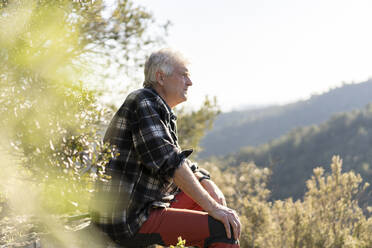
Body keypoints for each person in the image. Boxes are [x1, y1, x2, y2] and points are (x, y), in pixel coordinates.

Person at [90, 49, 241, 248]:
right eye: (184, 74)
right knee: (223, 230)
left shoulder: (158, 107)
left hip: (144, 206)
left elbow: (177, 158)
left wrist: (205, 181)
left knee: (211, 202)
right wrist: (214, 208)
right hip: (128, 218)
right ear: (161, 77)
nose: (190, 82)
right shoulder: (143, 101)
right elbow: (170, 162)